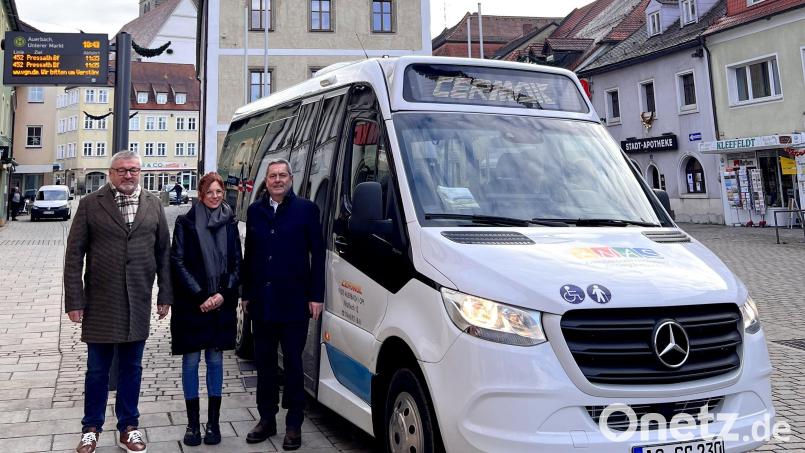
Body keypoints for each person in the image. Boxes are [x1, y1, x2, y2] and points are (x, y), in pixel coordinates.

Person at [64, 150, 172, 453]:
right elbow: (74, 256)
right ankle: (91, 428)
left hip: (137, 299)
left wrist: (165, 295)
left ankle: (129, 427)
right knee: (97, 369)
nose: (128, 176)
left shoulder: (153, 204)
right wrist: (75, 300)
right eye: (122, 170)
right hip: (100, 302)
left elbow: (164, 252)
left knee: (132, 368)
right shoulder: (90, 205)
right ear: (111, 172)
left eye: (134, 170)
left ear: (141, 172)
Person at [242, 158, 325, 450]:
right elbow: (249, 255)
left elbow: (318, 255)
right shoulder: (255, 211)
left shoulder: (306, 210)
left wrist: (317, 295)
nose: (277, 180)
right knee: (264, 366)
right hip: (262, 304)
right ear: (266, 180)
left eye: (282, 175)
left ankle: (294, 424)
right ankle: (267, 419)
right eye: (272, 176)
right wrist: (245, 294)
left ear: (291, 179)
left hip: (294, 304)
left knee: (292, 364)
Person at [170, 172, 241, 446]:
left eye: (219, 191)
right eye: (209, 192)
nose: (214, 196)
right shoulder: (185, 223)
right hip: (192, 304)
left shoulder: (231, 223)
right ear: (201, 194)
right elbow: (177, 261)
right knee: (190, 362)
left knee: (215, 361)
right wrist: (201, 295)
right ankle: (192, 426)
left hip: (220, 305)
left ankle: (213, 424)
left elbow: (237, 263)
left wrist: (223, 294)